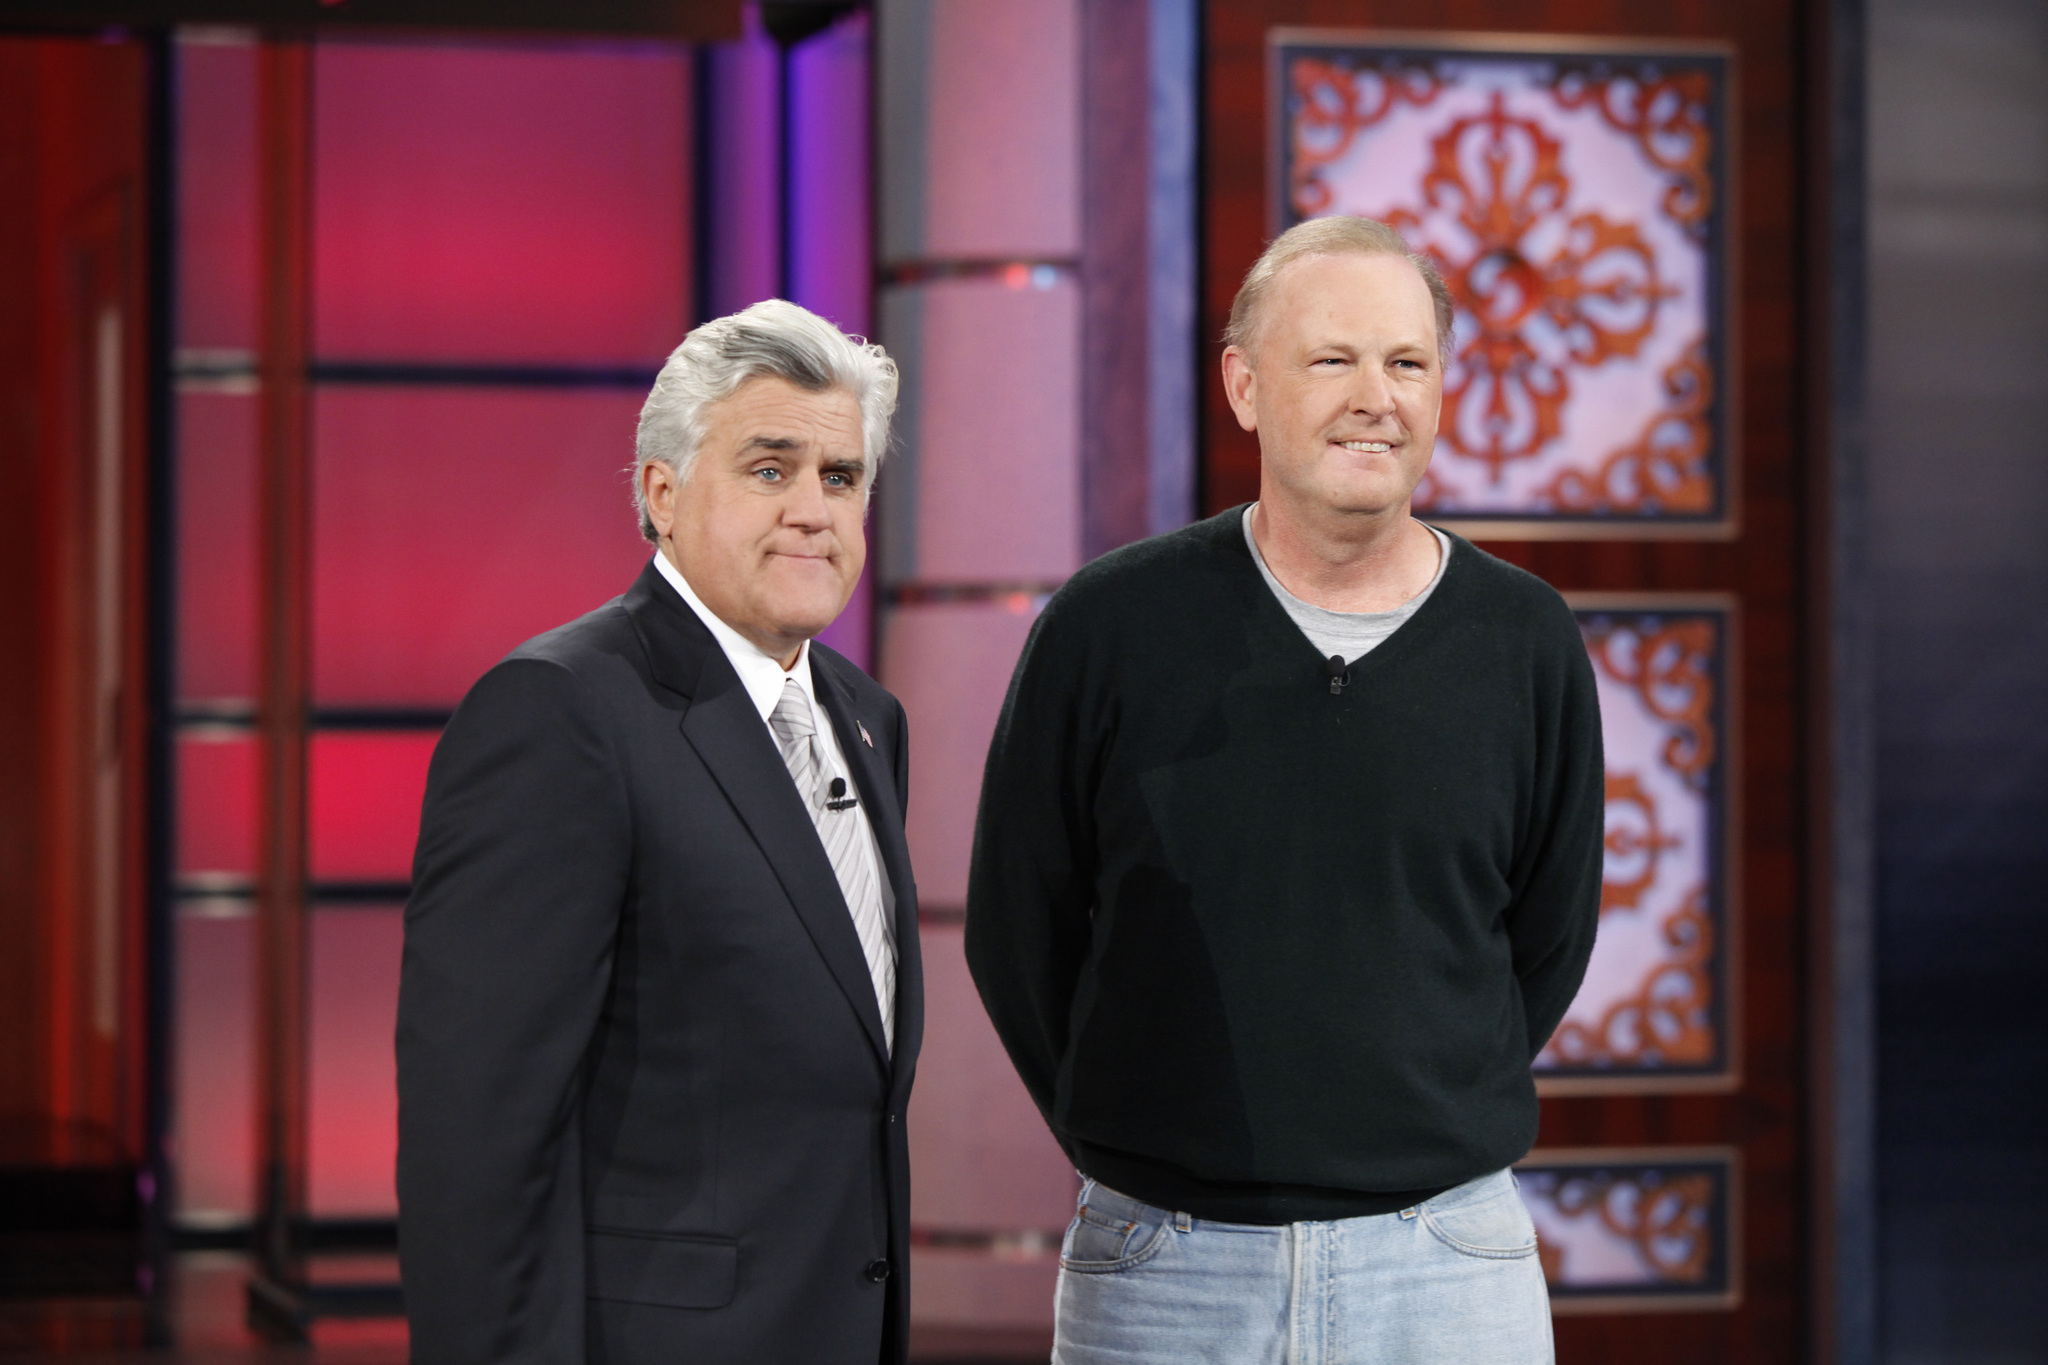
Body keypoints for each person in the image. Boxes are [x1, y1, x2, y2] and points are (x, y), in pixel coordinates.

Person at [964, 215, 1604, 1364]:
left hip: (1443, 1268)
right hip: (1163, 1270)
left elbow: (1546, 937)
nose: (1376, 396)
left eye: (1407, 363)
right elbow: (1018, 929)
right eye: (1333, 360)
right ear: (1243, 387)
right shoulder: (1106, 626)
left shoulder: (1525, 639)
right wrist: (1146, 1137)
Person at [397, 300, 921, 1365]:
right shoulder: (559, 713)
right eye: (769, 471)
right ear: (663, 495)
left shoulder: (868, 721)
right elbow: (479, 1137)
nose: (815, 511)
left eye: (841, 477)